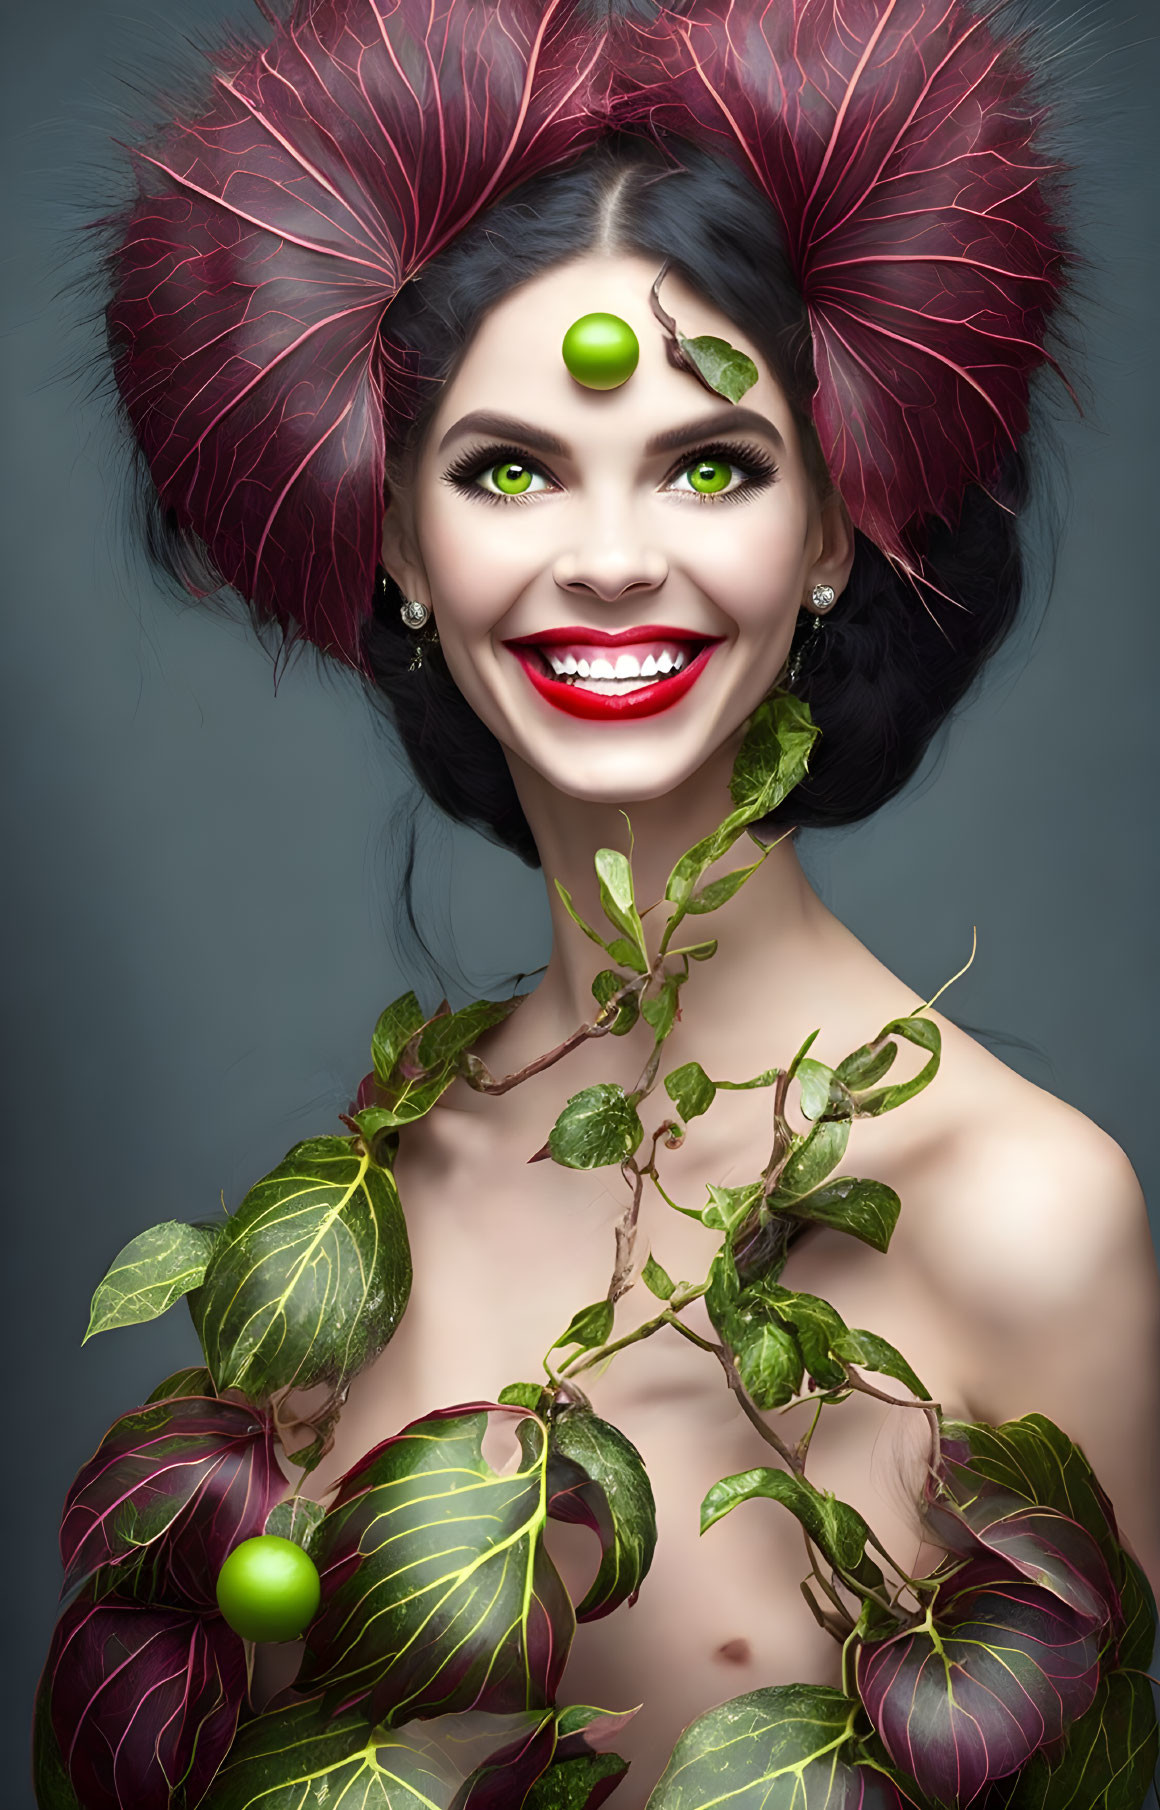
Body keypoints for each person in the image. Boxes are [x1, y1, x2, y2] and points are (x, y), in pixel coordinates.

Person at [44, 0, 1160, 1802]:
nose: (613, 556)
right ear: (398, 542)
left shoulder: (1028, 1218)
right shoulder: (358, 1200)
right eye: (507, 470)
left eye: (712, 463)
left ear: (831, 531)